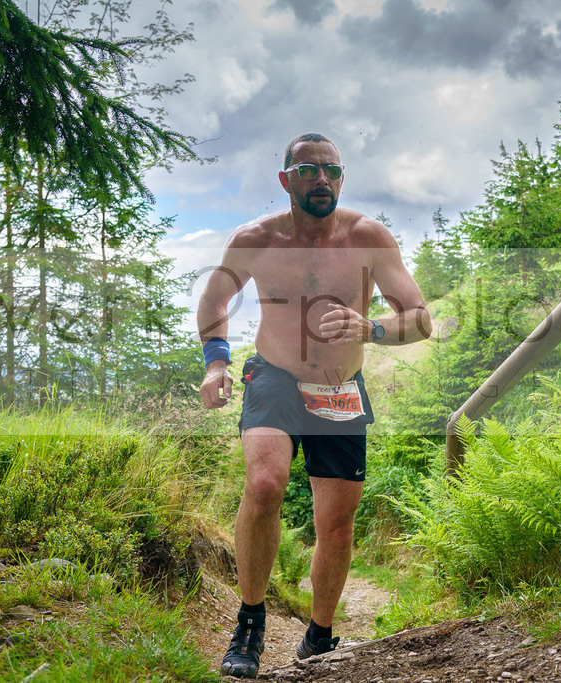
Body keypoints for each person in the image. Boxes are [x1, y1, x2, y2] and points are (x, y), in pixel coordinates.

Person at [197, 133, 431, 678]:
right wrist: (215, 363)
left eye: (331, 170)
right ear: (286, 181)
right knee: (264, 485)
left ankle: (319, 638)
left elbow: (419, 317)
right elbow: (214, 301)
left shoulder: (368, 237)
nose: (321, 179)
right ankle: (250, 624)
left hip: (339, 385)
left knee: (338, 522)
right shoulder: (255, 238)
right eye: (307, 170)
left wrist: (370, 327)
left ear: (342, 178)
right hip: (274, 376)